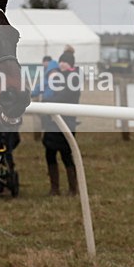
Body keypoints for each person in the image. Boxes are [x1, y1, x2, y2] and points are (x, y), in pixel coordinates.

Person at [41, 46, 81, 196]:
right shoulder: (60, 76)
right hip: (53, 123)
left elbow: (64, 97)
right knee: (50, 154)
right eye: (61, 62)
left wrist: (47, 102)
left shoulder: (73, 78)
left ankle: (73, 188)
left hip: (66, 123)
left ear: (70, 64)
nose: (62, 64)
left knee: (66, 155)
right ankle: (54, 188)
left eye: (65, 62)